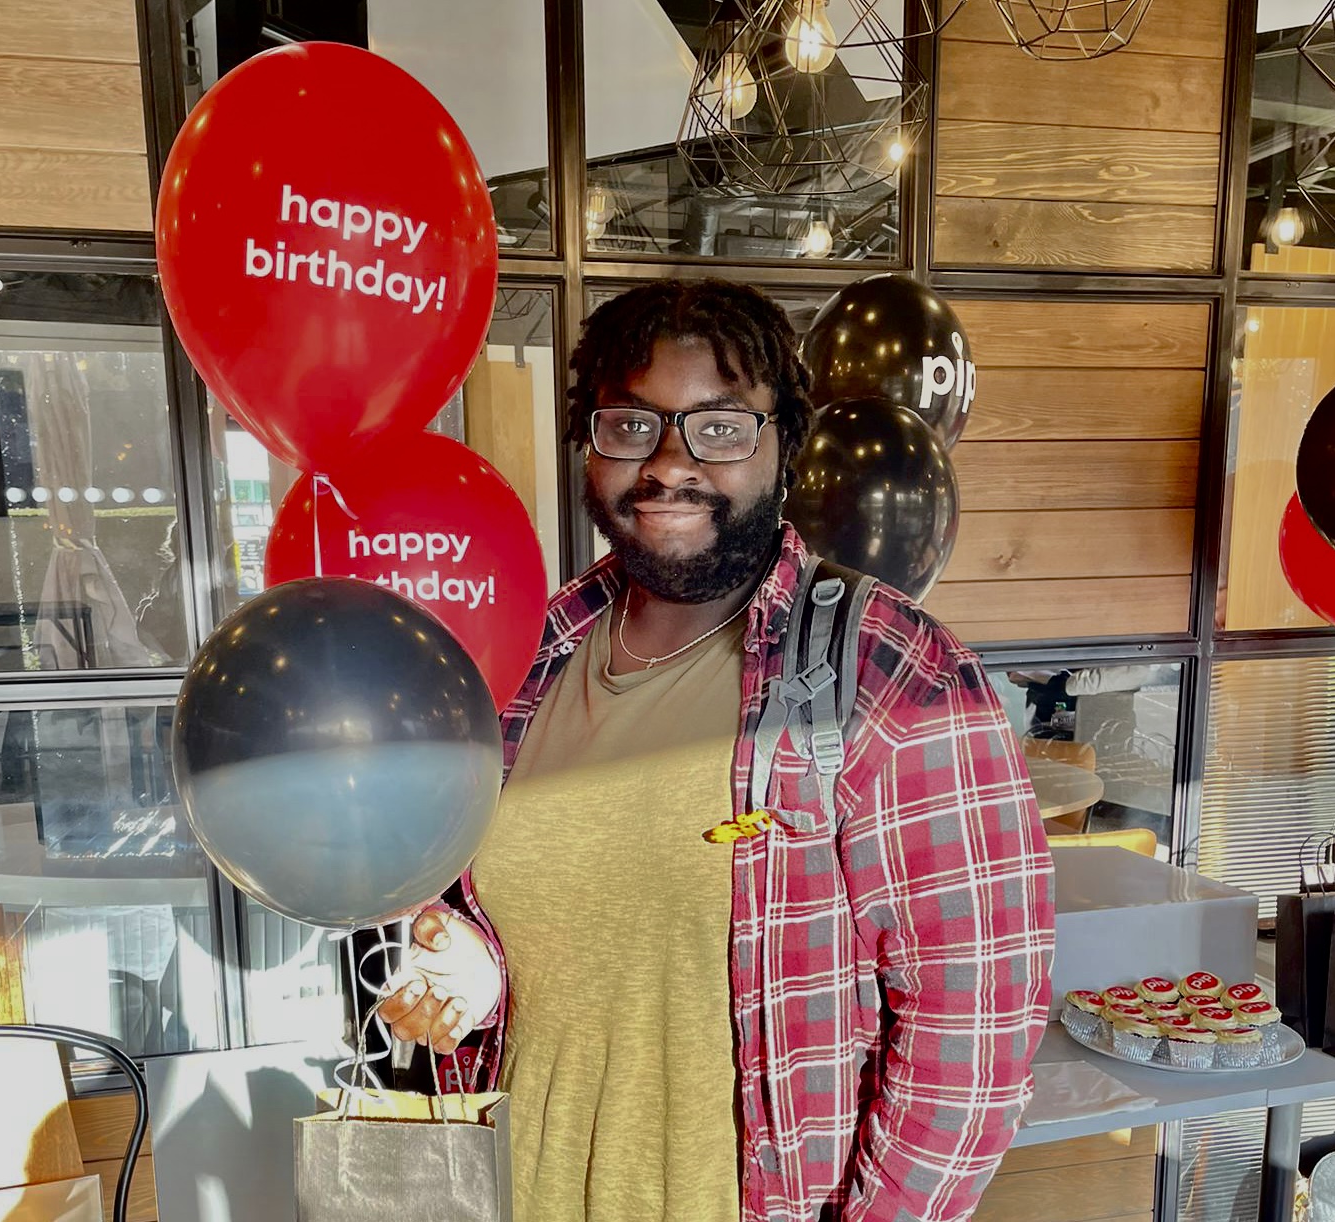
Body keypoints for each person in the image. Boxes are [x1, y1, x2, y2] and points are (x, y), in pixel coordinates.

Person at [378, 278, 1055, 1222]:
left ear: (786, 445)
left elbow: (972, 1040)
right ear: (590, 443)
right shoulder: (529, 657)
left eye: (721, 427)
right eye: (630, 424)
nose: (669, 464)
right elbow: (562, 934)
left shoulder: (888, 672)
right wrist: (479, 972)